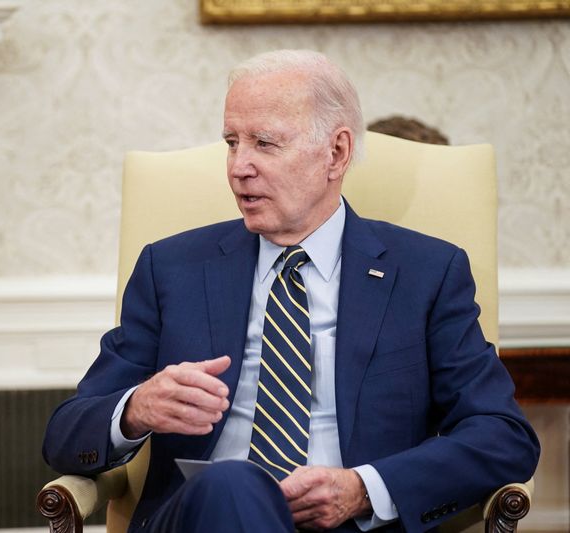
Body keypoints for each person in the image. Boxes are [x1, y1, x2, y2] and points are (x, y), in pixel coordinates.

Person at [42, 50, 539, 533]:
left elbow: (502, 436)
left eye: (264, 143)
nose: (239, 166)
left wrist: (363, 488)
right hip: (201, 515)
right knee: (233, 485)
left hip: (354, 524)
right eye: (232, 142)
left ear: (336, 152)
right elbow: (65, 435)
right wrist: (135, 409)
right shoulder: (171, 268)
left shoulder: (427, 272)